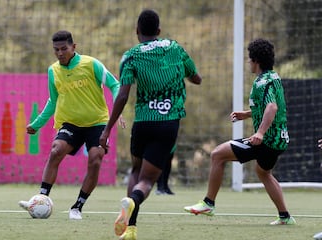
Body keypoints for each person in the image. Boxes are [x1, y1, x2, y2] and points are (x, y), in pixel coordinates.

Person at [99, 9, 202, 240]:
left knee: (136, 171)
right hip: (167, 123)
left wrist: (107, 129)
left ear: (137, 31)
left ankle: (130, 229)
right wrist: (182, 75)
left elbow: (123, 95)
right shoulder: (175, 48)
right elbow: (196, 78)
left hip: (143, 122)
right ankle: (132, 202)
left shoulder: (131, 56)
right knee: (147, 181)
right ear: (158, 31)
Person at [184, 38, 296, 225]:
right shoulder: (274, 77)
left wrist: (259, 133)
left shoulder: (261, 83)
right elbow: (268, 108)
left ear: (255, 61)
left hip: (268, 140)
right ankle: (285, 217)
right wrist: (247, 114)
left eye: (249, 59)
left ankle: (208, 204)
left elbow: (272, 108)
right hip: (280, 139)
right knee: (263, 172)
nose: (248, 62)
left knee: (217, 154)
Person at [18, 30, 122, 220]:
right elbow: (53, 100)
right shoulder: (53, 71)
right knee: (56, 150)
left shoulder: (91, 64)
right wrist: (37, 124)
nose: (59, 53)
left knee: (96, 159)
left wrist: (118, 109)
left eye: (63, 48)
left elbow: (115, 85)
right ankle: (40, 199)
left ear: (74, 47)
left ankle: (77, 207)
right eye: (56, 49)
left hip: (97, 122)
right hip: (70, 123)